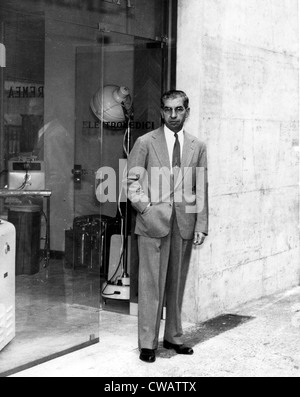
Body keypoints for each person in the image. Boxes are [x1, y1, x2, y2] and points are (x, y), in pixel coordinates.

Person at [127, 90, 209, 363]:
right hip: (152, 223)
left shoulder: (198, 146)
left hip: (183, 223)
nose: (173, 115)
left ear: (187, 111)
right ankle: (147, 344)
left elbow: (201, 188)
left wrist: (201, 223)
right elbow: (131, 183)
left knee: (176, 283)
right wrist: (146, 209)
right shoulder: (144, 142)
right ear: (161, 112)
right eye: (167, 110)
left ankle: (174, 337)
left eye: (179, 109)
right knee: (151, 284)